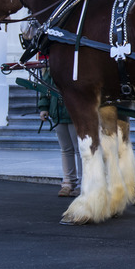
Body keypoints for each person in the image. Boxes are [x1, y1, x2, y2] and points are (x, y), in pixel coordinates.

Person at [37, 62, 82, 197]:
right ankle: (68, 182)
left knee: (79, 149)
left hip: (74, 113)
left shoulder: (77, 66)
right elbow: (44, 88)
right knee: (66, 149)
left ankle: (82, 182)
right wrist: (44, 107)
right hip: (57, 112)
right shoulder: (53, 68)